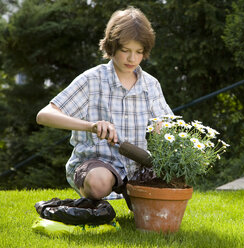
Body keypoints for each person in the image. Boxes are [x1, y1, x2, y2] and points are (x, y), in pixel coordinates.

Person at [36, 6, 173, 206]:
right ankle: (94, 203)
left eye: (139, 52)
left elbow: (167, 124)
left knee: (163, 202)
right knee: (99, 183)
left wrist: (162, 131)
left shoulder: (150, 84)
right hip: (97, 165)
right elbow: (44, 115)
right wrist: (90, 126)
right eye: (125, 50)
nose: (132, 59)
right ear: (111, 46)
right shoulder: (93, 79)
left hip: (137, 169)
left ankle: (134, 199)